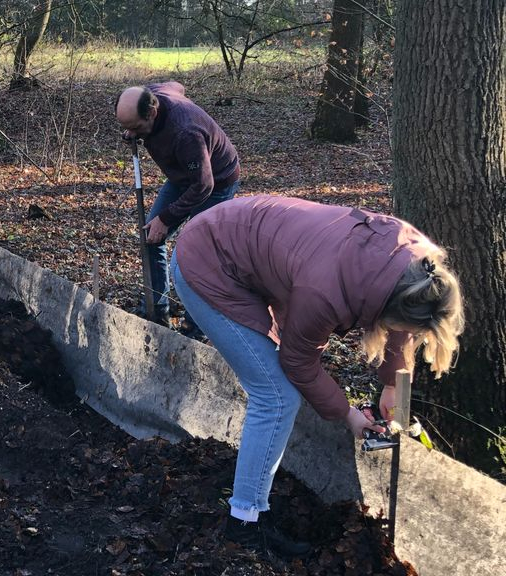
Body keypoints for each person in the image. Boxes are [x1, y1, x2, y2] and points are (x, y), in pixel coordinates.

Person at [170, 195, 464, 557]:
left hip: (249, 241)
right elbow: (299, 363)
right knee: (277, 396)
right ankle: (243, 523)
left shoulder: (418, 266)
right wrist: (348, 414)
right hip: (207, 260)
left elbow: (403, 324)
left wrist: (393, 384)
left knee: (281, 385)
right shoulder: (324, 292)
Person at [115, 82, 240, 322]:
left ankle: (198, 324)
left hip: (217, 182)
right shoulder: (156, 93)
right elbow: (177, 86)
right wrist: (134, 130)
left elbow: (204, 185)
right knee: (150, 236)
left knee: (197, 254)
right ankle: (157, 309)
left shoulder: (186, 133)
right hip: (183, 176)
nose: (130, 134)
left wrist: (167, 217)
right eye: (126, 128)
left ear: (152, 111)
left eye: (135, 128)